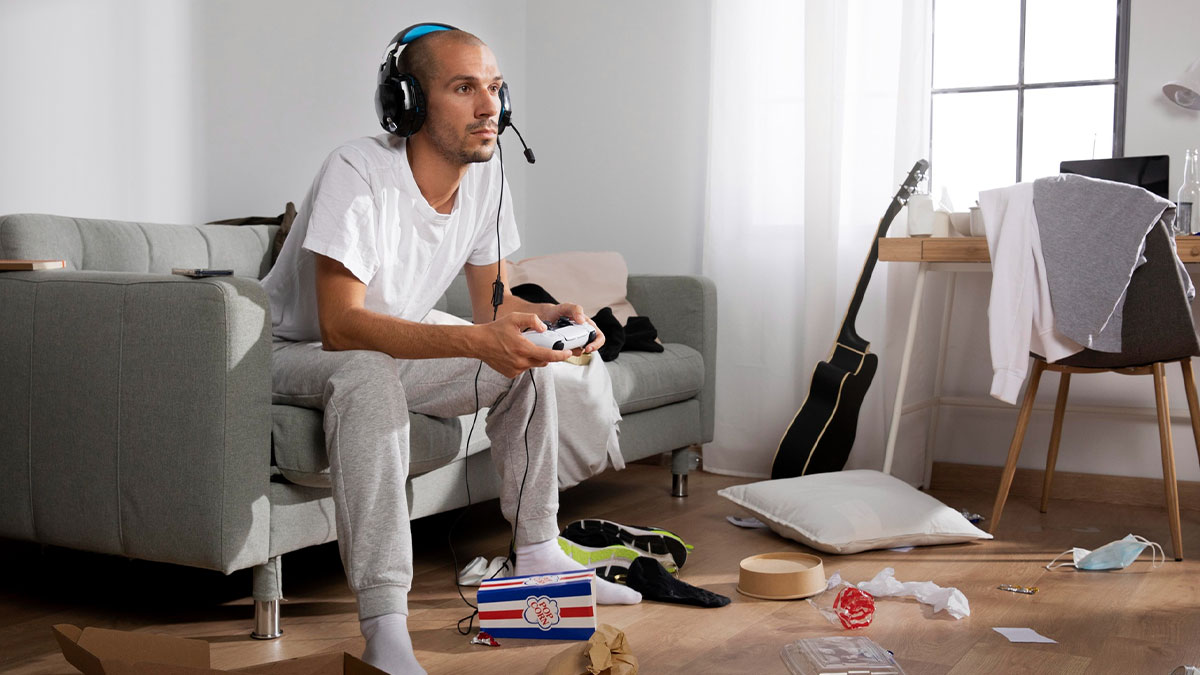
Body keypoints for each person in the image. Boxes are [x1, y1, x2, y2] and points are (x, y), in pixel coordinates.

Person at [261, 24, 641, 675]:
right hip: (289, 351)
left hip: (387, 348)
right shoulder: (357, 171)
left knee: (524, 361)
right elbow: (341, 327)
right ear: (406, 102)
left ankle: (540, 555)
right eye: (463, 87)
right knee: (367, 374)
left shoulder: (488, 182)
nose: (489, 106)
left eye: (494, 88)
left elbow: (493, 306)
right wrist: (477, 339)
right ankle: (385, 625)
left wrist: (546, 318)